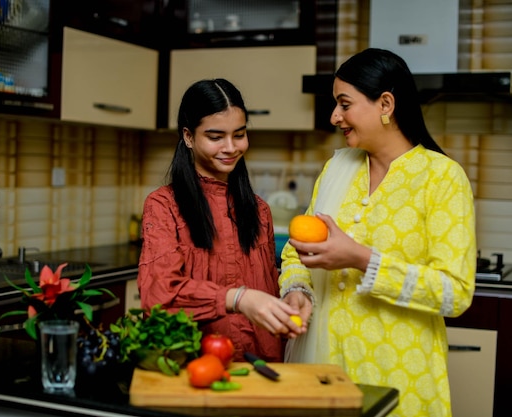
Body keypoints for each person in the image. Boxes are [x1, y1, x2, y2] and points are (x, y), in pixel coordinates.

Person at [279, 48, 476, 417]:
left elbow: (456, 293)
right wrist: (296, 290)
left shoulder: (442, 178)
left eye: (344, 104)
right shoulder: (337, 169)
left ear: (385, 103)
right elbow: (295, 251)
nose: (335, 116)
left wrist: (361, 258)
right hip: (325, 372)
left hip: (399, 375)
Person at [137, 78, 302, 363]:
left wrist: (290, 295)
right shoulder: (163, 205)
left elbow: (266, 286)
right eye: (215, 137)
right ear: (188, 137)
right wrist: (237, 298)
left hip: (263, 363)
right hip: (198, 366)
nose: (230, 147)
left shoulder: (259, 210)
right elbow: (160, 295)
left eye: (239, 134)